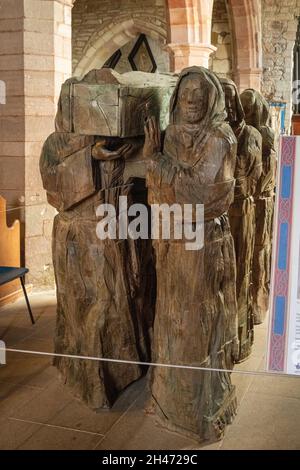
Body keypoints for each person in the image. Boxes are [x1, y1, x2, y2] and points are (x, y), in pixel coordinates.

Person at [143, 66, 238, 442]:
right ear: (178, 98)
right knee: (170, 318)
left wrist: (156, 163)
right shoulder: (170, 135)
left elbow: (202, 193)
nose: (193, 101)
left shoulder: (220, 138)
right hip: (172, 240)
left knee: (195, 322)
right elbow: (162, 192)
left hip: (201, 243)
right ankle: (166, 398)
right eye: (186, 95)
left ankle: (196, 409)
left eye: (200, 95)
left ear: (211, 98)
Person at [220, 78, 262, 362]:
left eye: (229, 100)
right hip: (214, 216)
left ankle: (238, 336)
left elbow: (254, 179)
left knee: (239, 271)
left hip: (239, 211)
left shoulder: (251, 136)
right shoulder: (214, 135)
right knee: (219, 278)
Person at [240, 89, 276, 324]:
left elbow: (261, 172)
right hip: (250, 202)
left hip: (260, 202)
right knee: (248, 253)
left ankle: (256, 302)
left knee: (258, 250)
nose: (246, 113)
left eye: (250, 109)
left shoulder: (261, 133)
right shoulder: (244, 133)